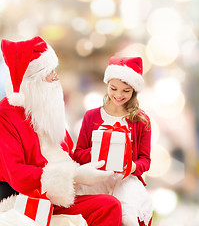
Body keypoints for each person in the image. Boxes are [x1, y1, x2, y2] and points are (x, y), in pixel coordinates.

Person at [0, 36, 122, 225]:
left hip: (57, 197)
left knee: (110, 204)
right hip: (24, 201)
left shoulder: (45, 110)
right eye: (50, 72)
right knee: (108, 206)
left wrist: (102, 155)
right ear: (34, 81)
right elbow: (18, 175)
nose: (57, 77)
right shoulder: (5, 116)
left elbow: (68, 155)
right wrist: (75, 175)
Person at [73, 56, 153, 226]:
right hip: (96, 179)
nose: (118, 95)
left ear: (134, 91)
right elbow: (78, 155)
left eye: (126, 91)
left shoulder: (141, 120)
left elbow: (145, 160)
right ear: (107, 85)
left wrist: (132, 166)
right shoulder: (92, 116)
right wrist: (99, 151)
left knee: (127, 215)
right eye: (113, 88)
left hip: (125, 179)